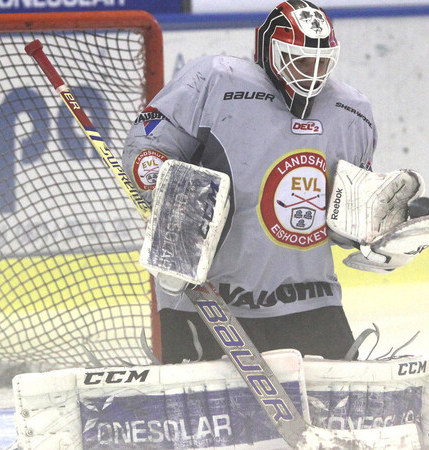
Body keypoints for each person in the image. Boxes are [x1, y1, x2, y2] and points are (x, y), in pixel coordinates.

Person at [124, 0, 390, 364]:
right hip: (206, 297)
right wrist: (164, 189)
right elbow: (147, 147)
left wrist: (382, 232)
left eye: (321, 61)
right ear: (271, 51)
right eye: (300, 59)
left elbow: (344, 216)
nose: (312, 72)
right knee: (204, 417)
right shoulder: (214, 80)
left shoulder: (352, 111)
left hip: (310, 299)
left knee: (336, 415)